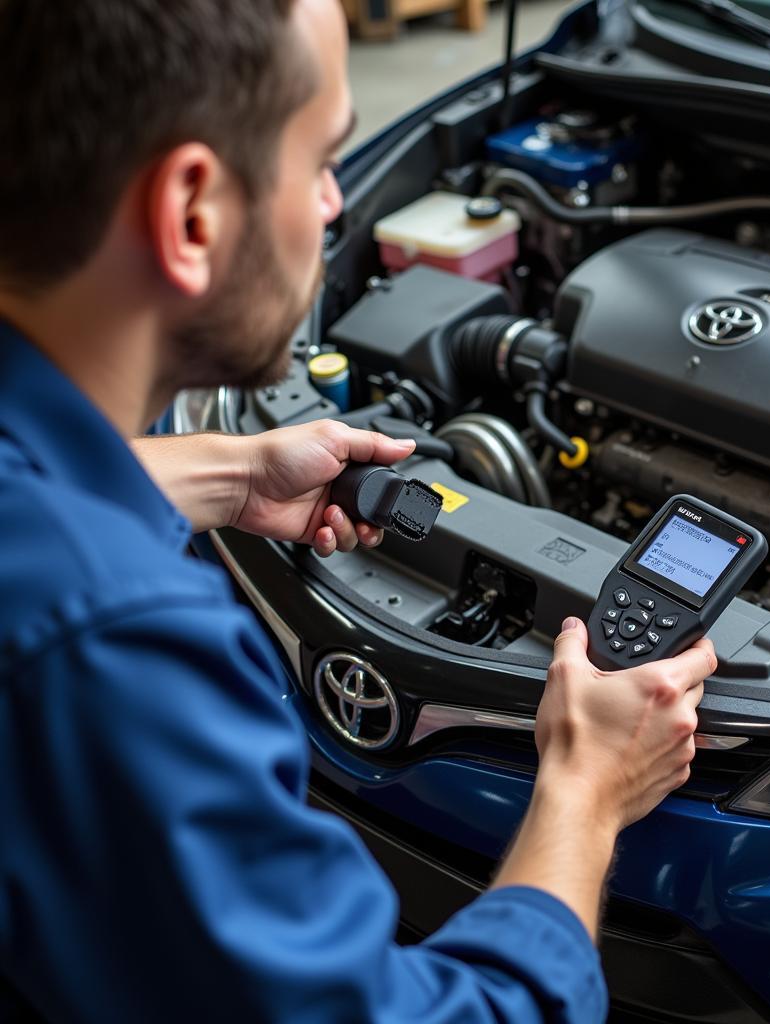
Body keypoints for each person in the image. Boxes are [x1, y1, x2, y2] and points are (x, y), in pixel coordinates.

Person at [0, 1, 716, 1020]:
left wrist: (225, 473)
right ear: (192, 214)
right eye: (322, 159)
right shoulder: (116, 657)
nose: (338, 204)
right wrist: (586, 786)